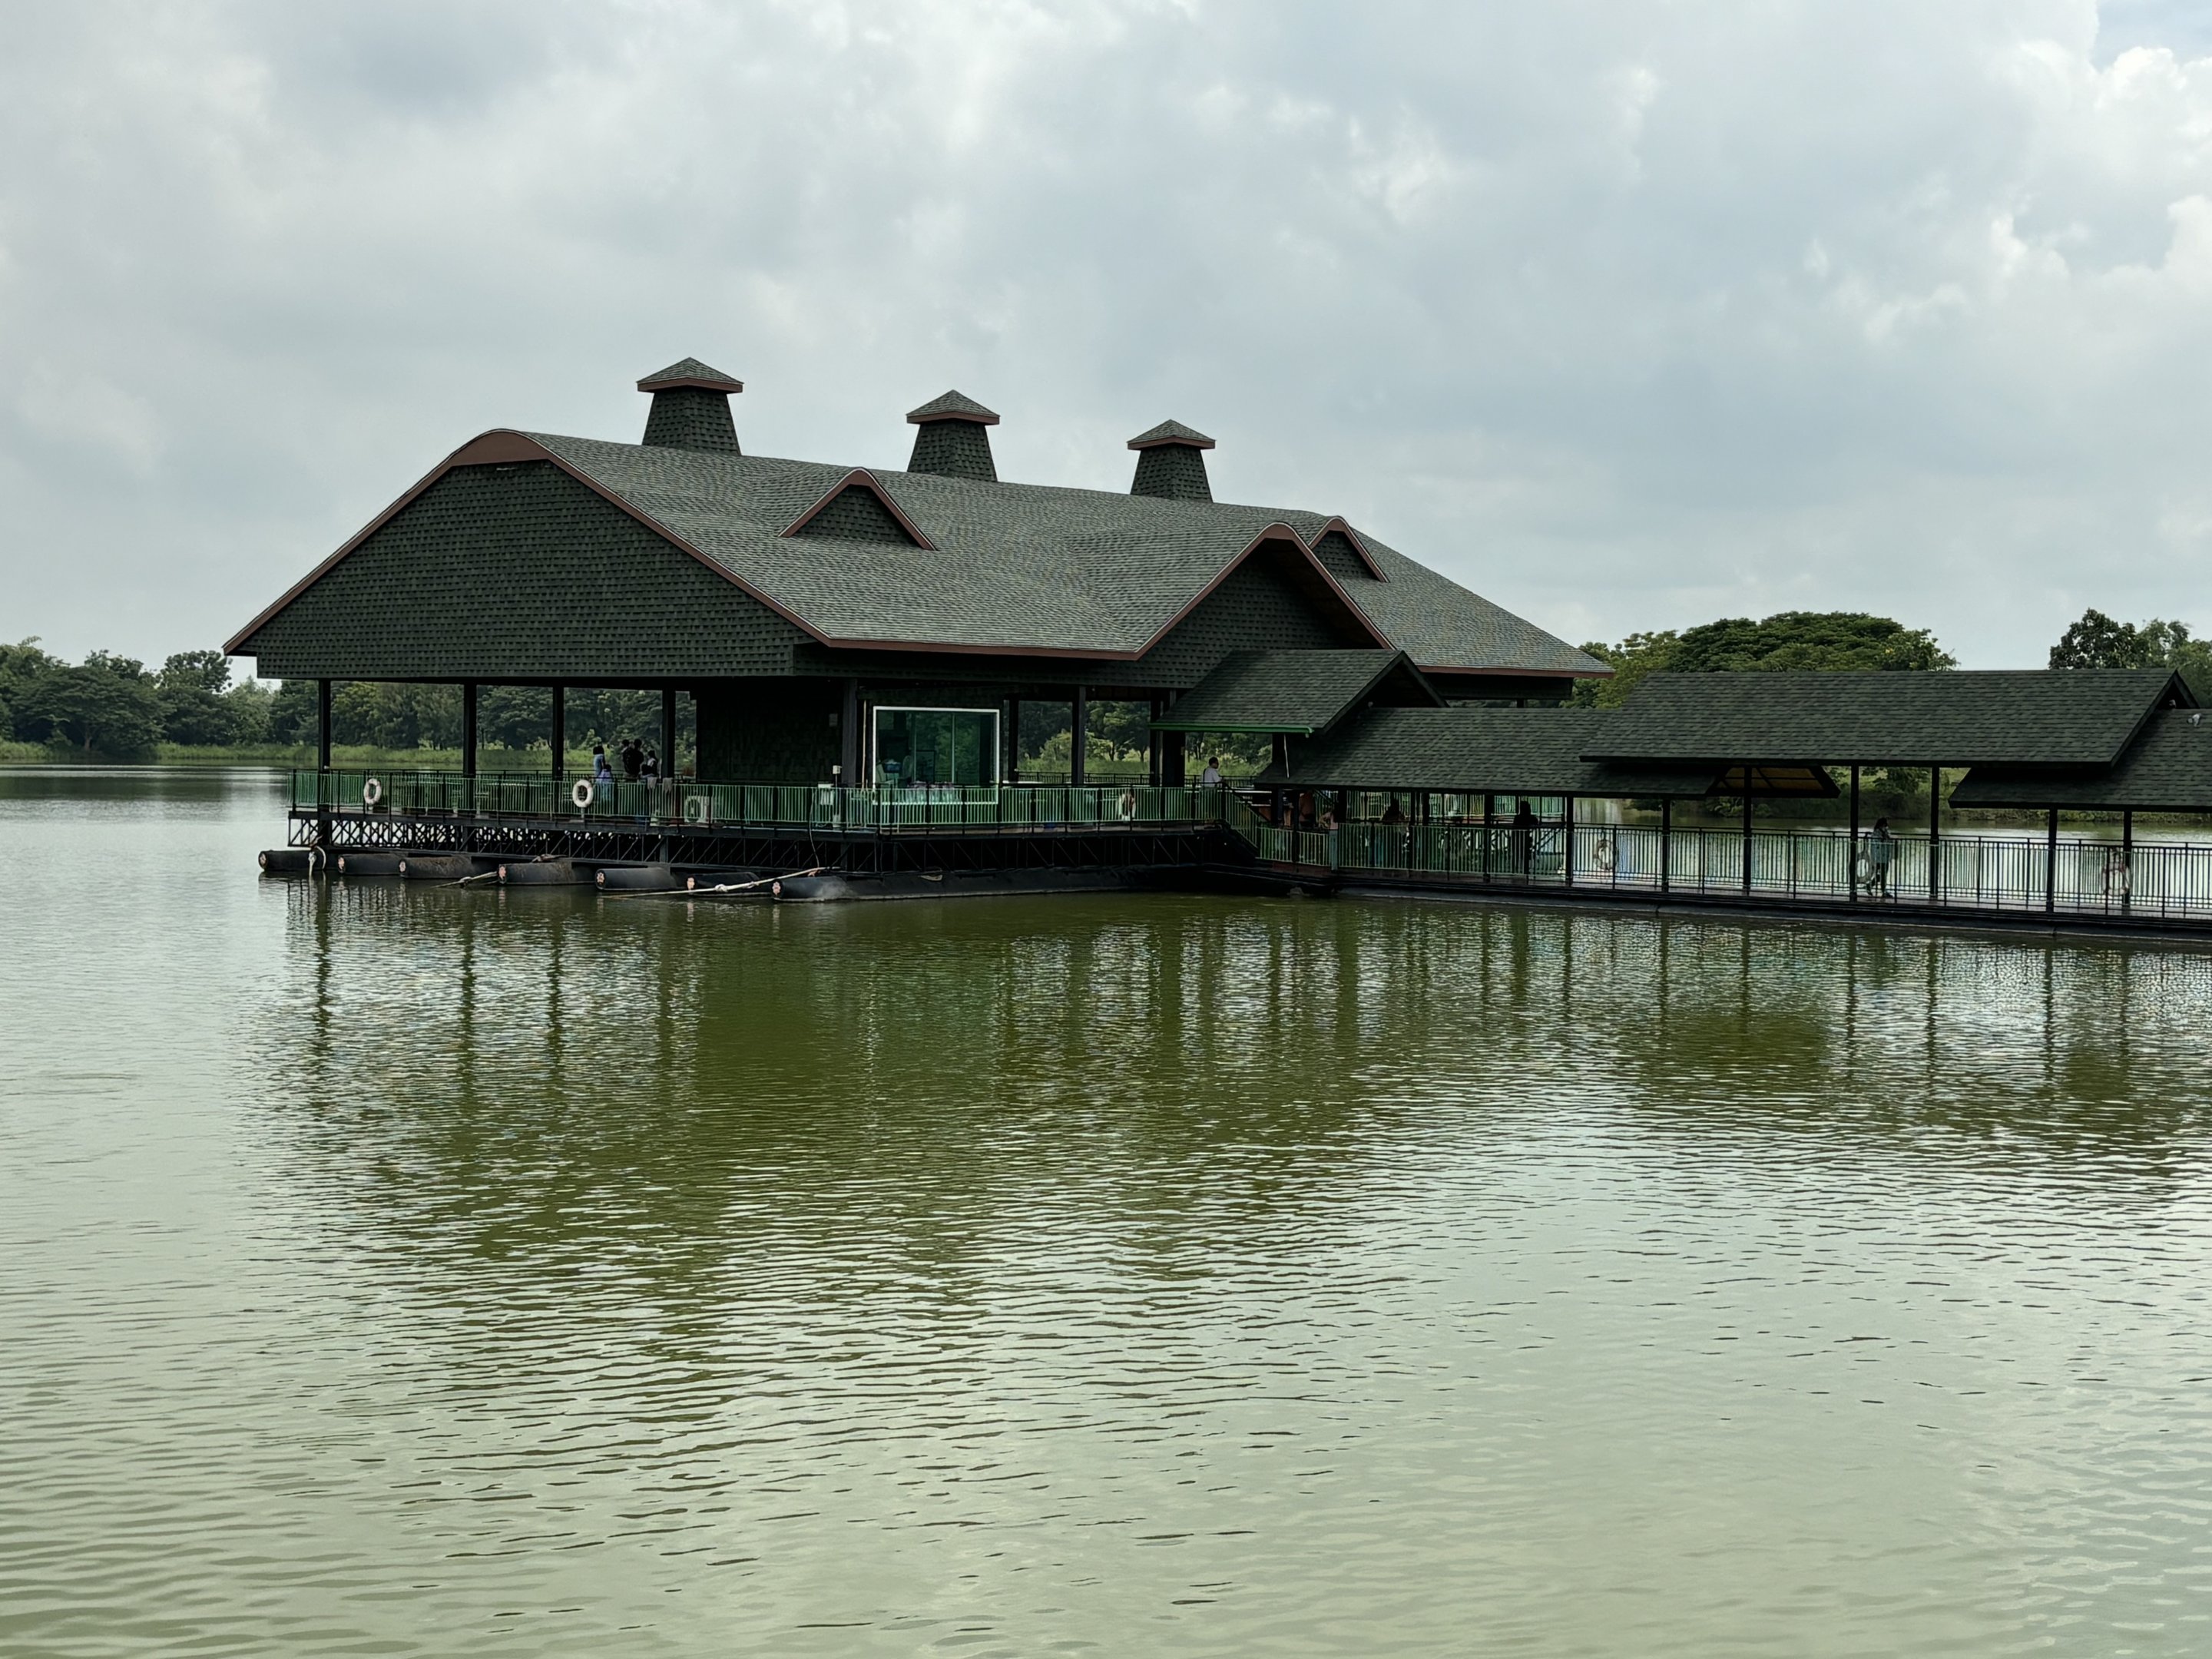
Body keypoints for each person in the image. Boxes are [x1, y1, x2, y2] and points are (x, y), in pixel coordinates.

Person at [1866, 816, 1895, 898]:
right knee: (1880, 876)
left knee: (1883, 875)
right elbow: (1877, 843)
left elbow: (1889, 841)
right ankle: (1878, 888)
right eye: (1885, 825)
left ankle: (1879, 889)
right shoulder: (1876, 833)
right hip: (1879, 858)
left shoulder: (1885, 832)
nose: (1886, 827)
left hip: (1885, 857)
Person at [1512, 799, 1538, 876]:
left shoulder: (1518, 817)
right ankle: (1524, 869)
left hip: (1518, 838)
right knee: (1524, 854)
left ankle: (1515, 869)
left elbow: (1514, 828)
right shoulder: (1530, 817)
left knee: (1517, 854)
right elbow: (1536, 822)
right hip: (1524, 839)